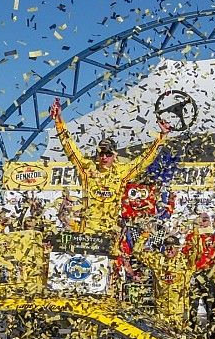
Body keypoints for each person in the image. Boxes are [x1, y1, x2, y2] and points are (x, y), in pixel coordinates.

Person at [50, 97, 170, 237]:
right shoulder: (87, 168)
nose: (104, 158)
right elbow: (70, 148)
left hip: (109, 234)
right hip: (86, 233)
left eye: (108, 154)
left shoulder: (121, 172)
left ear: (114, 155)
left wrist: (162, 136)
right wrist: (58, 121)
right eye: (101, 154)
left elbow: (144, 160)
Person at [133, 231, 199, 330]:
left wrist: (195, 238)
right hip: (161, 311)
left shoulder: (185, 262)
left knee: (179, 338)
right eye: (167, 247)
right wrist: (143, 237)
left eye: (172, 247)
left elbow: (197, 254)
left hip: (179, 313)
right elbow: (136, 252)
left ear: (178, 248)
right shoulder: (157, 261)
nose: (169, 250)